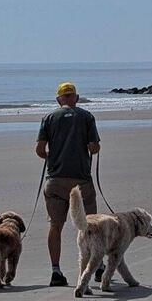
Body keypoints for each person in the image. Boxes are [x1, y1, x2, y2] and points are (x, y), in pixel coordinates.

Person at [35, 79, 102, 288]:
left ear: (58, 99)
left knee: (55, 226)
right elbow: (94, 147)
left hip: (55, 179)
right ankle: (97, 267)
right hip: (81, 179)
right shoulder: (87, 116)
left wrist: (54, 157)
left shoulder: (48, 118)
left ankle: (56, 270)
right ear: (76, 98)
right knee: (90, 223)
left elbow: (39, 150)